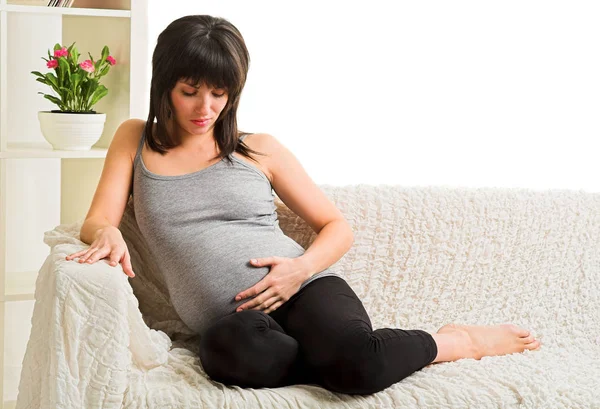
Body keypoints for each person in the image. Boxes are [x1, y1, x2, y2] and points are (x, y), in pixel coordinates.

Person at [65, 15, 541, 395]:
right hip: (234, 322)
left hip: (306, 288)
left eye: (219, 93)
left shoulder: (261, 149)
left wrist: (298, 269)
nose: (204, 108)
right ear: (165, 85)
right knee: (227, 357)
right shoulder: (136, 138)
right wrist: (105, 231)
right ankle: (334, 361)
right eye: (190, 91)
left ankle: (454, 341)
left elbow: (336, 225)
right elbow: (99, 218)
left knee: (359, 366)